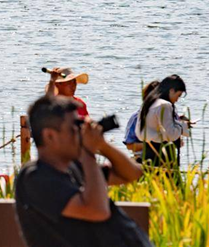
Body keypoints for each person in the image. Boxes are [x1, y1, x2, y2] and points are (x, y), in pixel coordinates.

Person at [14, 96, 150, 247]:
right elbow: (97, 211)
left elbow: (132, 174)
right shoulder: (35, 178)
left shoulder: (75, 168)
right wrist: (88, 152)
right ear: (49, 136)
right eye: (74, 129)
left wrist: (102, 145)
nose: (80, 134)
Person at [135, 74, 191, 169]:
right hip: (163, 153)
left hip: (147, 151)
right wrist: (182, 127)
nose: (177, 100)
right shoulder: (164, 105)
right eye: (178, 95)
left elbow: (139, 131)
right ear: (171, 90)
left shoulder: (149, 102)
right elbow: (170, 134)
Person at [123, 80, 159, 159]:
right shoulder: (136, 117)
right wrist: (153, 146)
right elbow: (129, 145)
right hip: (142, 158)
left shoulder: (166, 116)